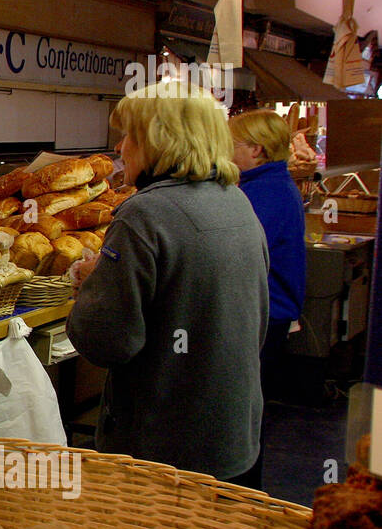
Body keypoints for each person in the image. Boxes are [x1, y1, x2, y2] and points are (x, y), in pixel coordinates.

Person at [66, 83, 269, 485]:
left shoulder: (144, 214)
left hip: (163, 455)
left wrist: (91, 287)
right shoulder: (236, 200)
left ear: (158, 139)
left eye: (130, 136)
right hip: (234, 440)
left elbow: (107, 341)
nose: (121, 148)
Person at [229, 110, 307, 408]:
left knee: (243, 407)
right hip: (270, 312)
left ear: (256, 149)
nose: (226, 151)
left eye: (232, 144)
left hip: (264, 314)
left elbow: (238, 254)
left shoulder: (266, 193)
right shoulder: (268, 186)